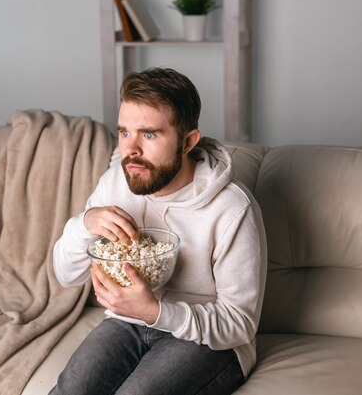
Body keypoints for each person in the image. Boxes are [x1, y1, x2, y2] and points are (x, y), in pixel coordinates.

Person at [50, 67, 267, 395]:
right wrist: (85, 224)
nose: (130, 149)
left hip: (208, 340)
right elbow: (66, 277)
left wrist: (156, 312)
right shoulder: (115, 183)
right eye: (124, 132)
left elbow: (240, 324)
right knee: (71, 389)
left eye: (149, 134)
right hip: (128, 323)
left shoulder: (232, 209)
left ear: (187, 141)